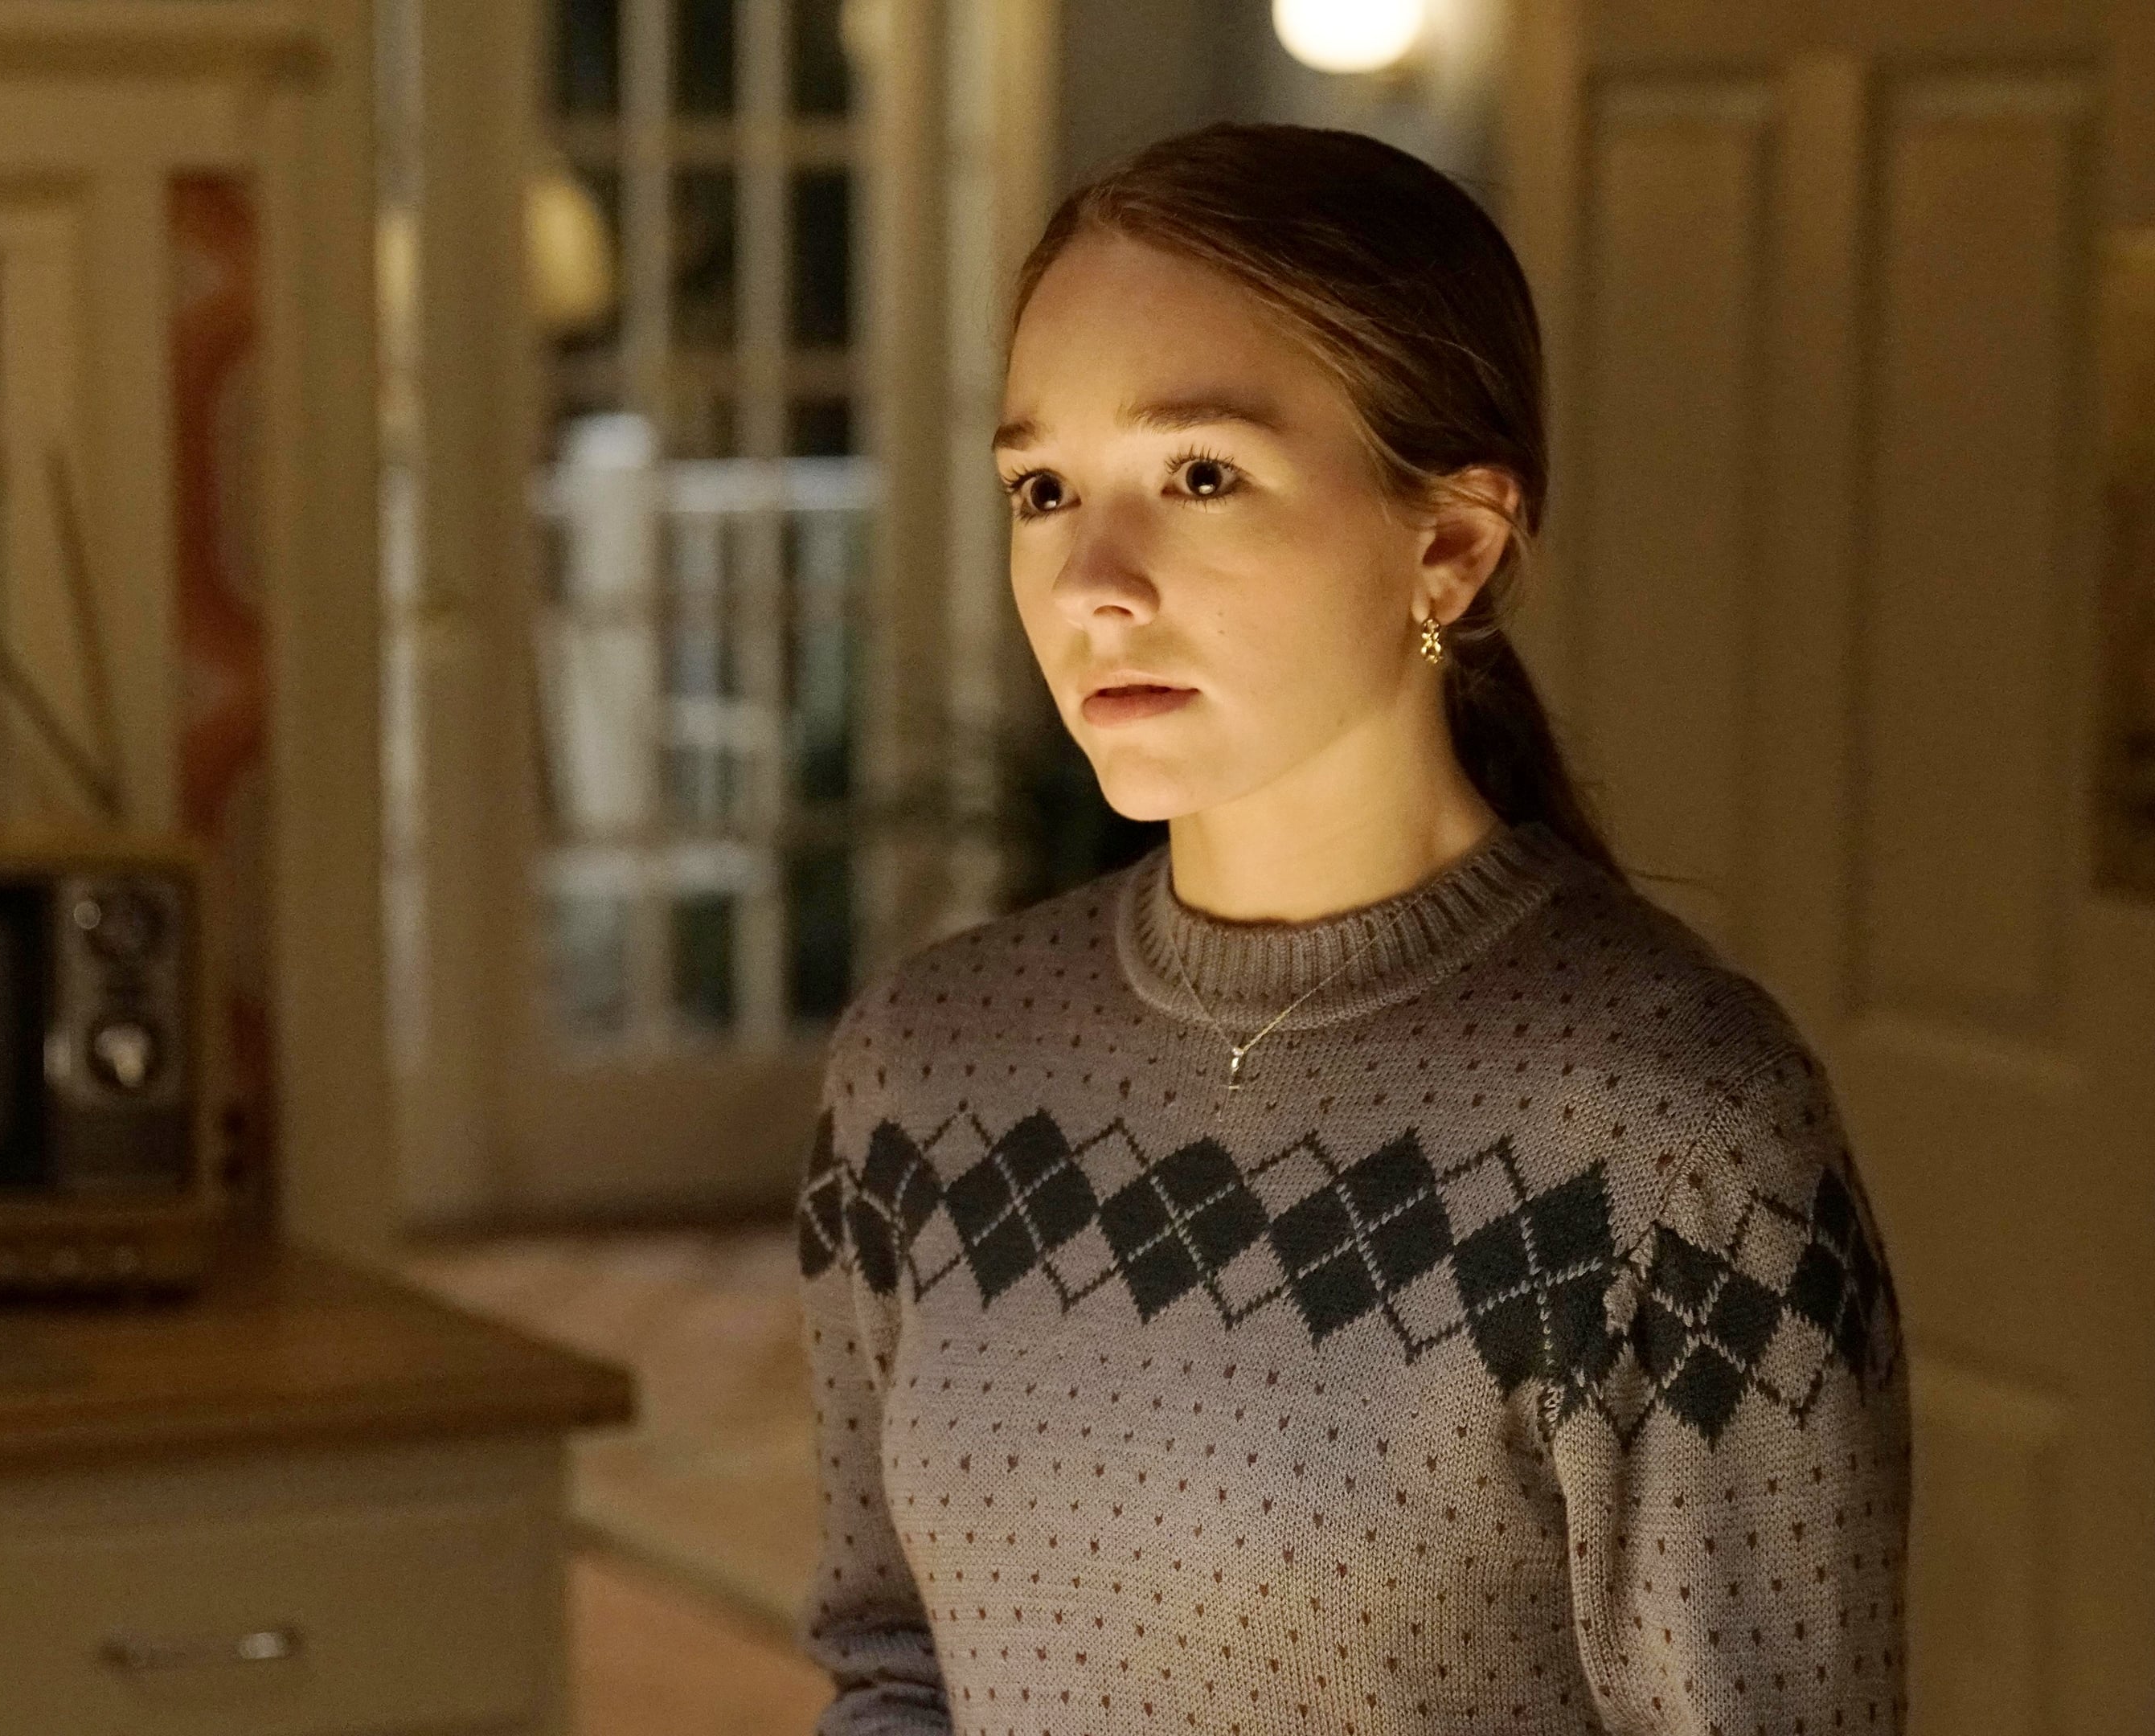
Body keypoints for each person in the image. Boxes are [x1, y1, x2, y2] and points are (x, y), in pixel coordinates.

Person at [793, 121, 1909, 1734]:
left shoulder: (1674, 1133)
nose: (1092, 579)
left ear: (1449, 544)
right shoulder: (922, 1074)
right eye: (1043, 489)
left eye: (1200, 475)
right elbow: (893, 1665)